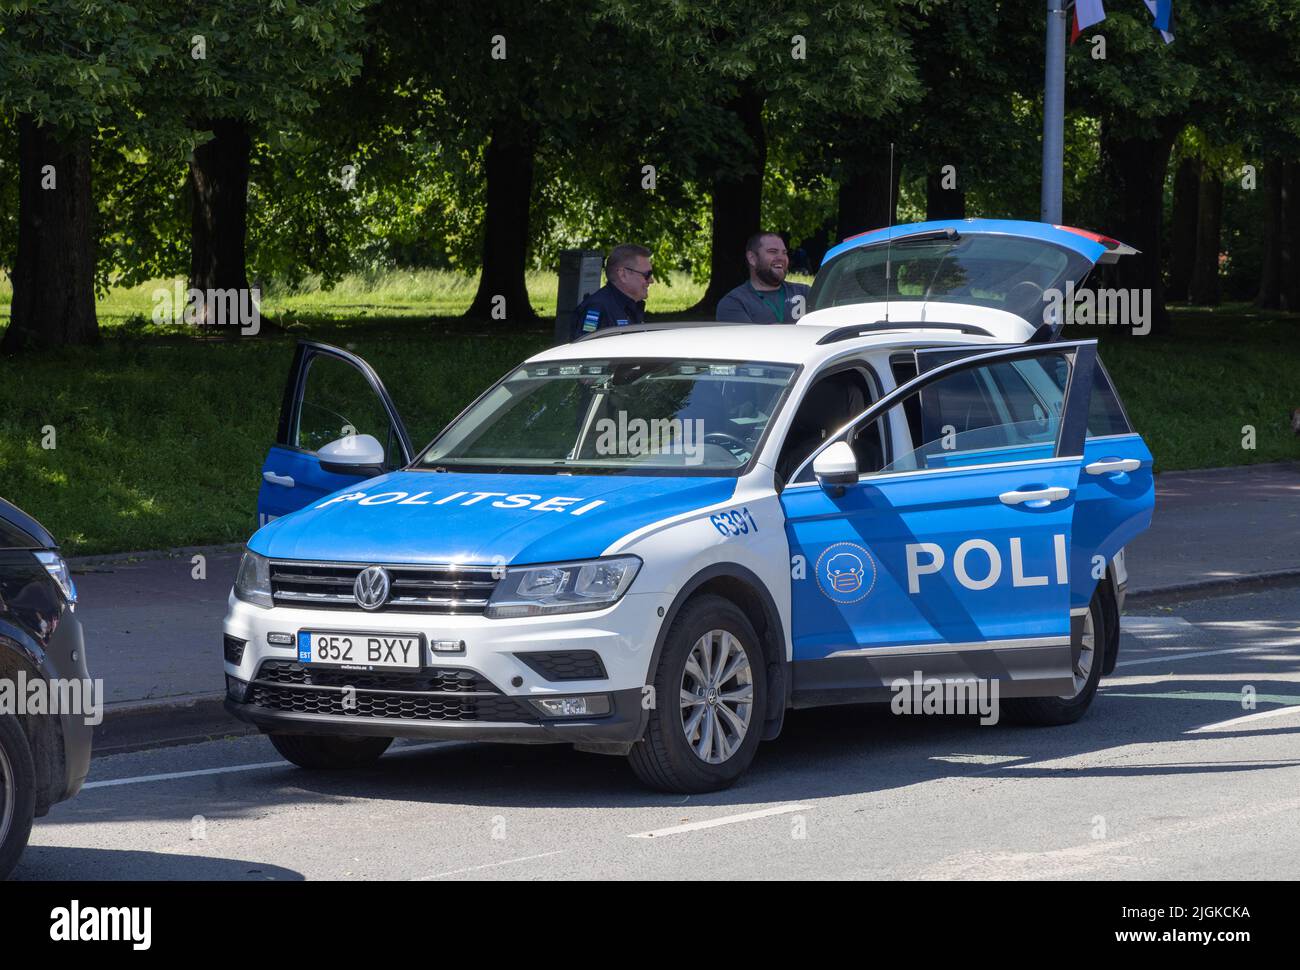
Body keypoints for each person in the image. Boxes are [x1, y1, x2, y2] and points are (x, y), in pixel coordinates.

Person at [715, 232, 810, 324]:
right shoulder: (734, 302)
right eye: (773, 251)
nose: (781, 258)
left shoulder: (805, 292)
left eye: (784, 253)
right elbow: (749, 339)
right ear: (752, 258)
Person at [570, 243, 653, 340]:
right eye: (647, 274)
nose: (651, 280)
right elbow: (585, 350)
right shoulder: (597, 308)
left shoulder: (631, 306)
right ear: (623, 275)